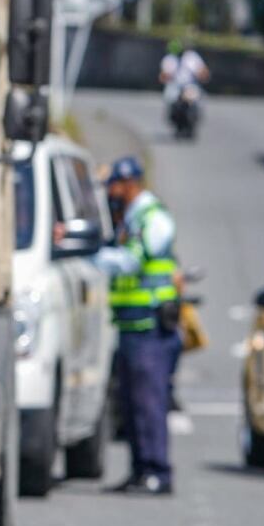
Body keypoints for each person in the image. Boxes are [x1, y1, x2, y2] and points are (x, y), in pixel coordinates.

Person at [95, 157, 180, 496]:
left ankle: (157, 471)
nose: (111, 193)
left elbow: (132, 261)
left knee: (149, 403)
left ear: (129, 184)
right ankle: (139, 470)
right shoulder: (131, 219)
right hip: (131, 326)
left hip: (151, 329)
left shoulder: (153, 218)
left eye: (115, 186)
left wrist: (91, 256)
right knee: (130, 404)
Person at [159, 39, 209, 105]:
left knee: (193, 95)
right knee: (170, 96)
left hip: (190, 85)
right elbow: (162, 78)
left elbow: (204, 74)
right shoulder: (169, 59)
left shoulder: (192, 57)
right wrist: (166, 75)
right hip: (174, 86)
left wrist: (200, 74)